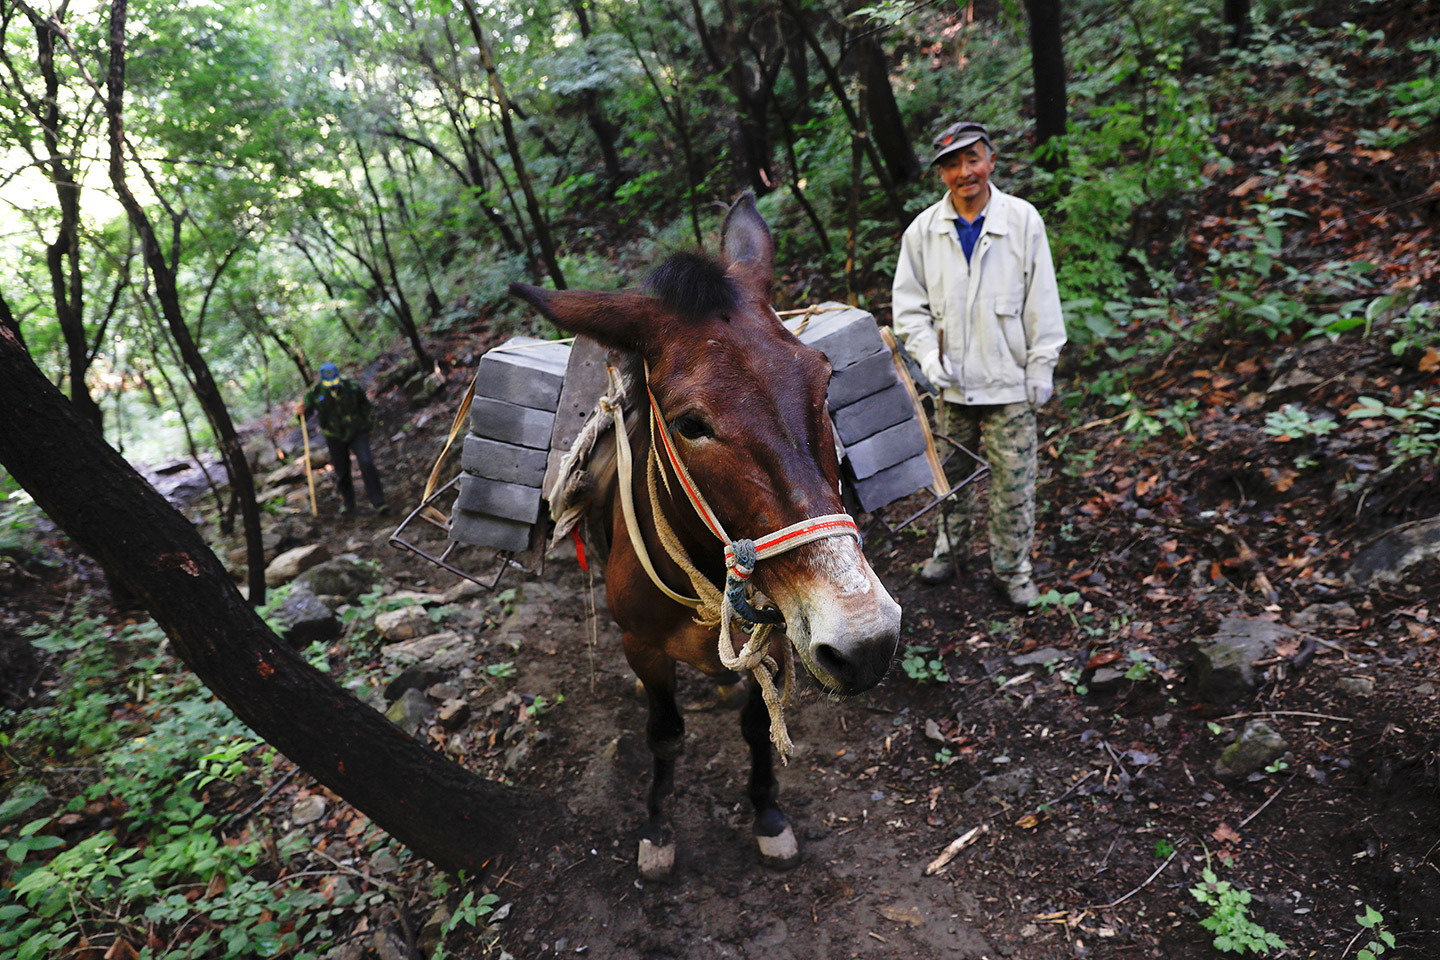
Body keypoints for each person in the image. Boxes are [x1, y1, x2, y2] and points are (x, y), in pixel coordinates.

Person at [891, 120, 1066, 608]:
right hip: (953, 383)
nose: (964, 172)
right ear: (942, 174)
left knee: (1014, 481)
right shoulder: (923, 231)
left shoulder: (1023, 219)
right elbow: (908, 308)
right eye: (952, 164)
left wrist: (1042, 365)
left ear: (990, 161)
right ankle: (950, 551)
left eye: (972, 160)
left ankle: (1013, 570)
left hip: (1010, 380)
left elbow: (1042, 297)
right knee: (949, 477)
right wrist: (927, 355)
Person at [301, 362, 388, 515]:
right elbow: (304, 415)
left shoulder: (352, 387)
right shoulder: (314, 393)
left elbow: (366, 406)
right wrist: (301, 411)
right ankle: (348, 504)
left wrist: (368, 425)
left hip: (357, 431)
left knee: (366, 462)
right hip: (334, 436)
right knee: (341, 471)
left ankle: (379, 502)